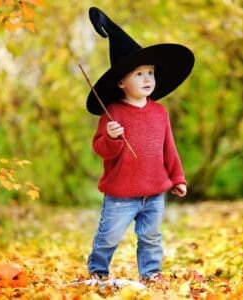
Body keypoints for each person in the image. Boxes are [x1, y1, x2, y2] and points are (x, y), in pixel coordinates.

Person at [85, 7, 194, 284]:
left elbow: (169, 149)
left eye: (150, 73)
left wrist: (177, 178)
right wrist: (110, 136)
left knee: (151, 236)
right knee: (109, 235)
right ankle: (98, 269)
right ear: (121, 82)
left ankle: (151, 272)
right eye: (139, 74)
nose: (148, 79)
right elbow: (101, 149)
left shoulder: (160, 113)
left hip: (155, 191)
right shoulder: (113, 113)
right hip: (121, 193)